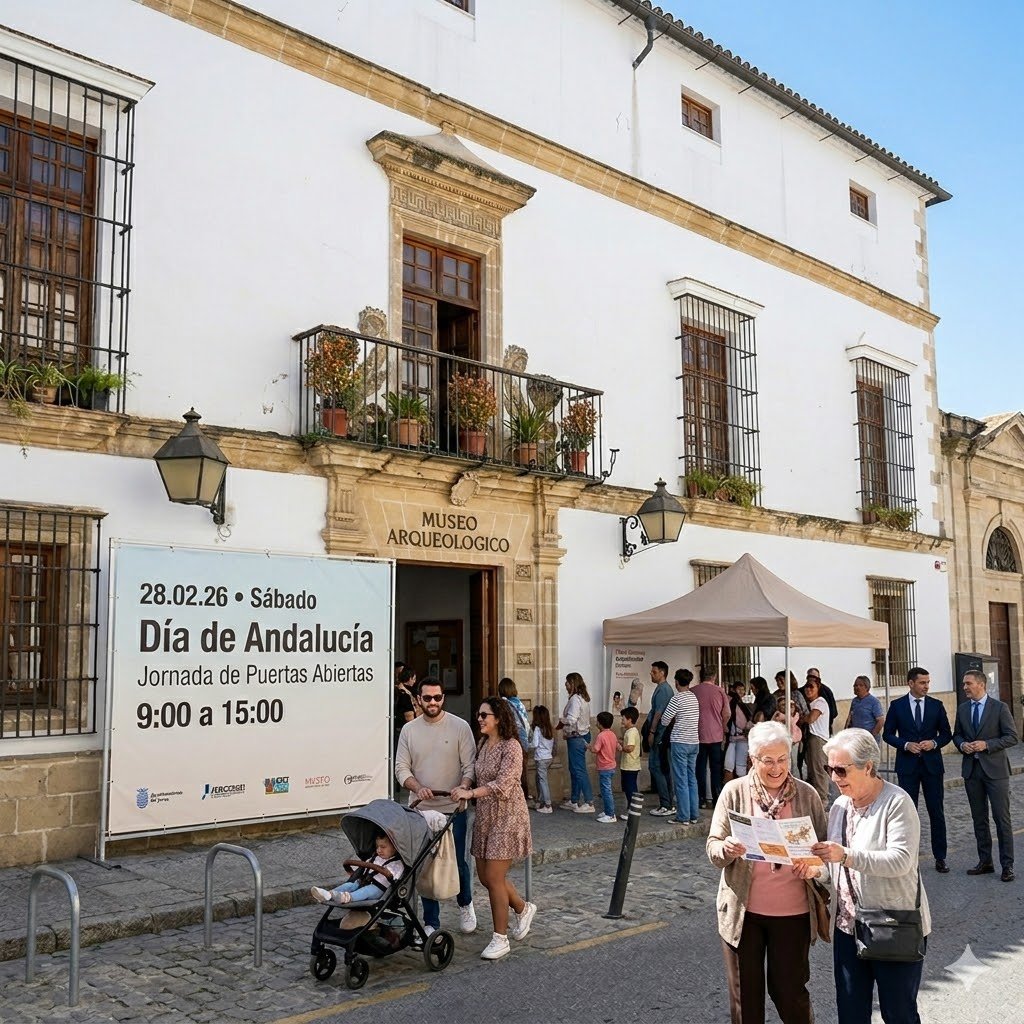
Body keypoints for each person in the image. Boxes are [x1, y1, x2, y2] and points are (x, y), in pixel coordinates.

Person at [707, 721, 827, 1024]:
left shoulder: (807, 794)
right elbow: (713, 847)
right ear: (753, 758)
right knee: (745, 999)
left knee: (790, 993)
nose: (777, 768)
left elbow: (827, 852)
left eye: (783, 759)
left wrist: (815, 868)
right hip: (743, 913)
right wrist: (727, 849)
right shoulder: (734, 792)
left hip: (793, 913)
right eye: (768, 761)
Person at [811, 728, 931, 1024]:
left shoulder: (897, 802)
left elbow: (901, 861)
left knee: (898, 1013)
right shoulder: (839, 805)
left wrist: (846, 855)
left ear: (868, 766)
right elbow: (838, 869)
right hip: (848, 926)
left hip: (891, 922)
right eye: (830, 768)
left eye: (841, 769)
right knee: (851, 1014)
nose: (834, 777)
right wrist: (818, 871)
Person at [451, 696, 535, 961]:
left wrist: (472, 793)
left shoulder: (512, 747)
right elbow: (475, 773)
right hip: (486, 815)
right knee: (486, 877)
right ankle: (522, 908)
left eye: (484, 715)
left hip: (507, 815)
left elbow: (504, 784)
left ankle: (501, 938)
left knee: (495, 878)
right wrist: (465, 786)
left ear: (498, 718)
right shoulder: (483, 743)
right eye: (479, 715)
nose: (479, 719)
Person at [394, 677, 478, 937]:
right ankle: (431, 921)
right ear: (418, 698)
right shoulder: (409, 730)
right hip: (422, 809)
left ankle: (465, 904)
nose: (433, 702)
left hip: (454, 809)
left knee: (459, 861)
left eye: (437, 697)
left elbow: (470, 766)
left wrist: (463, 786)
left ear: (443, 698)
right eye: (427, 698)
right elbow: (401, 768)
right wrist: (417, 787)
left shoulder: (460, 727)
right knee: (425, 865)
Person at [882, 667, 952, 872]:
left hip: (932, 766)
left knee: (936, 812)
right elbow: (888, 734)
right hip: (907, 767)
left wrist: (934, 742)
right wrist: (905, 745)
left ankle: (941, 857)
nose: (926, 686)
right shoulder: (897, 706)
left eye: (928, 682)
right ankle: (908, 857)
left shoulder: (936, 705)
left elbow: (946, 734)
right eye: (922, 683)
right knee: (907, 813)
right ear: (911, 683)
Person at [952, 668, 1019, 881]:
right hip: (972, 771)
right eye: (964, 684)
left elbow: (1012, 737)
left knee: (1002, 819)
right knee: (979, 818)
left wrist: (986, 745)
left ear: (981, 684)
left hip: (996, 771)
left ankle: (1007, 865)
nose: (965, 687)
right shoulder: (962, 709)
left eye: (968, 683)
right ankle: (985, 861)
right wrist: (962, 744)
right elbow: (957, 735)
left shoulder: (999, 708)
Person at [311, 829, 404, 906]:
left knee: (366, 891)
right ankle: (329, 894)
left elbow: (392, 876)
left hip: (378, 889)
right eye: (377, 847)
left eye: (383, 847)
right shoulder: (375, 857)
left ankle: (347, 898)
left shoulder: (397, 864)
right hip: (364, 881)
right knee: (350, 885)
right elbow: (364, 867)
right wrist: (356, 872)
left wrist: (383, 870)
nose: (379, 850)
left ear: (395, 848)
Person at [662, 668, 700, 825]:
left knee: (681, 780)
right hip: (694, 742)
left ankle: (683, 815)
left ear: (676, 681)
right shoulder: (693, 698)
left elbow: (665, 720)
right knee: (692, 778)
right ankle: (694, 814)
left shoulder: (676, 699)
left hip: (679, 741)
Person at [557, 672, 595, 813]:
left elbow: (572, 719)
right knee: (575, 769)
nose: (565, 685)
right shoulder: (582, 698)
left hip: (577, 737)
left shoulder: (575, 699)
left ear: (572, 683)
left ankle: (589, 802)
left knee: (579, 770)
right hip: (581, 736)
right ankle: (574, 800)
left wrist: (562, 721)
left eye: (567, 682)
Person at [694, 667, 730, 809]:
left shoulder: (693, 691)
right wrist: (722, 725)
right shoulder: (720, 691)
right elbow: (726, 713)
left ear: (700, 676)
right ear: (714, 677)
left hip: (698, 735)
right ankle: (717, 799)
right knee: (716, 768)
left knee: (699, 768)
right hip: (716, 736)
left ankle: (701, 799)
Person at [644, 661, 676, 816]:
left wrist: (652, 731)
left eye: (654, 671)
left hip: (660, 735)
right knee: (662, 767)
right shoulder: (662, 688)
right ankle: (667, 802)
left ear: (662, 673)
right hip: (661, 734)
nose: (651, 673)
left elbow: (659, 713)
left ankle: (666, 803)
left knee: (656, 767)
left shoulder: (664, 690)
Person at [498, 677, 531, 801]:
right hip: (524, 741)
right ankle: (524, 796)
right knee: (522, 770)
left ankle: (516, 798)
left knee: (512, 771)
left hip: (514, 741)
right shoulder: (518, 703)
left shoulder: (506, 704)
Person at [802, 676, 831, 803]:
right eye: (806, 687)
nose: (808, 689)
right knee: (812, 770)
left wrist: (803, 718)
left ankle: (823, 799)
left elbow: (811, 718)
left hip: (818, 738)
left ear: (818, 688)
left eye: (811, 687)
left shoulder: (820, 702)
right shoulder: (810, 703)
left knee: (818, 770)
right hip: (810, 738)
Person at [589, 711, 619, 823]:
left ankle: (611, 814)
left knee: (606, 791)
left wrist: (588, 746)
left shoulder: (601, 736)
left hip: (604, 767)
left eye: (597, 721)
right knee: (605, 790)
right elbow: (618, 746)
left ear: (600, 723)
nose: (596, 723)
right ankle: (607, 811)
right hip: (611, 766)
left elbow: (595, 749)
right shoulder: (612, 734)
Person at [530, 705, 555, 814]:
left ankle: (548, 804)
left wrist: (526, 744)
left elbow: (535, 744)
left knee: (542, 781)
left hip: (540, 758)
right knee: (539, 779)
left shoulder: (537, 729)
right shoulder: (549, 728)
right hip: (548, 757)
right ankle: (540, 800)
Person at [724, 681, 751, 781]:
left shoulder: (730, 701)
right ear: (733, 689)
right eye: (739, 689)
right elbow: (743, 722)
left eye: (743, 689)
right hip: (740, 737)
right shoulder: (736, 702)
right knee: (740, 766)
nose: (742, 691)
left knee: (729, 765)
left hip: (732, 737)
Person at [618, 706, 642, 819]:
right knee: (628, 787)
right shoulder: (630, 731)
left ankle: (632, 810)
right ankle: (631, 808)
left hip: (630, 765)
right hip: (629, 765)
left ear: (629, 719)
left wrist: (620, 747)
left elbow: (630, 748)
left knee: (630, 788)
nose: (622, 720)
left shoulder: (631, 732)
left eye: (623, 718)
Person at [804, 668, 839, 734]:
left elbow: (833, 712)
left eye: (815, 677)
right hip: (806, 732)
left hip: (822, 732)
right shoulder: (803, 690)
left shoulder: (826, 691)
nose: (812, 679)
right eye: (810, 677)